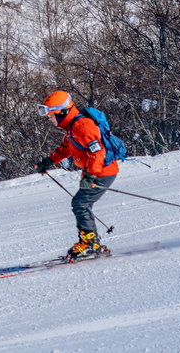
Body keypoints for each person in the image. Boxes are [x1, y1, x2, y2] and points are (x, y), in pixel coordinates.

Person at [33, 90, 119, 261]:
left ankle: (90, 245)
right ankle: (90, 242)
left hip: (102, 172)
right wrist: (48, 161)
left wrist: (91, 175)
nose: (50, 120)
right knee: (81, 204)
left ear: (62, 112)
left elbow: (97, 151)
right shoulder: (72, 127)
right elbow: (66, 148)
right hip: (93, 172)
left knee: (80, 204)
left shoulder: (82, 126)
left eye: (51, 116)